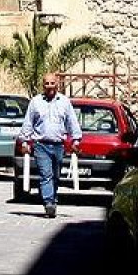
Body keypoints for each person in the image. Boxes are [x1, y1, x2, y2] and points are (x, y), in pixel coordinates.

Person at [19, 72, 82, 218]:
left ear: (57, 84)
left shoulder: (65, 102)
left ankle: (52, 199)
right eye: (47, 84)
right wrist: (24, 141)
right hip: (41, 145)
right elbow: (28, 123)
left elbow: (72, 122)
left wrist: (76, 140)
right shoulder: (35, 102)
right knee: (46, 175)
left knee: (56, 176)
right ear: (43, 85)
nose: (50, 87)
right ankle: (48, 204)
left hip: (58, 145)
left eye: (52, 83)